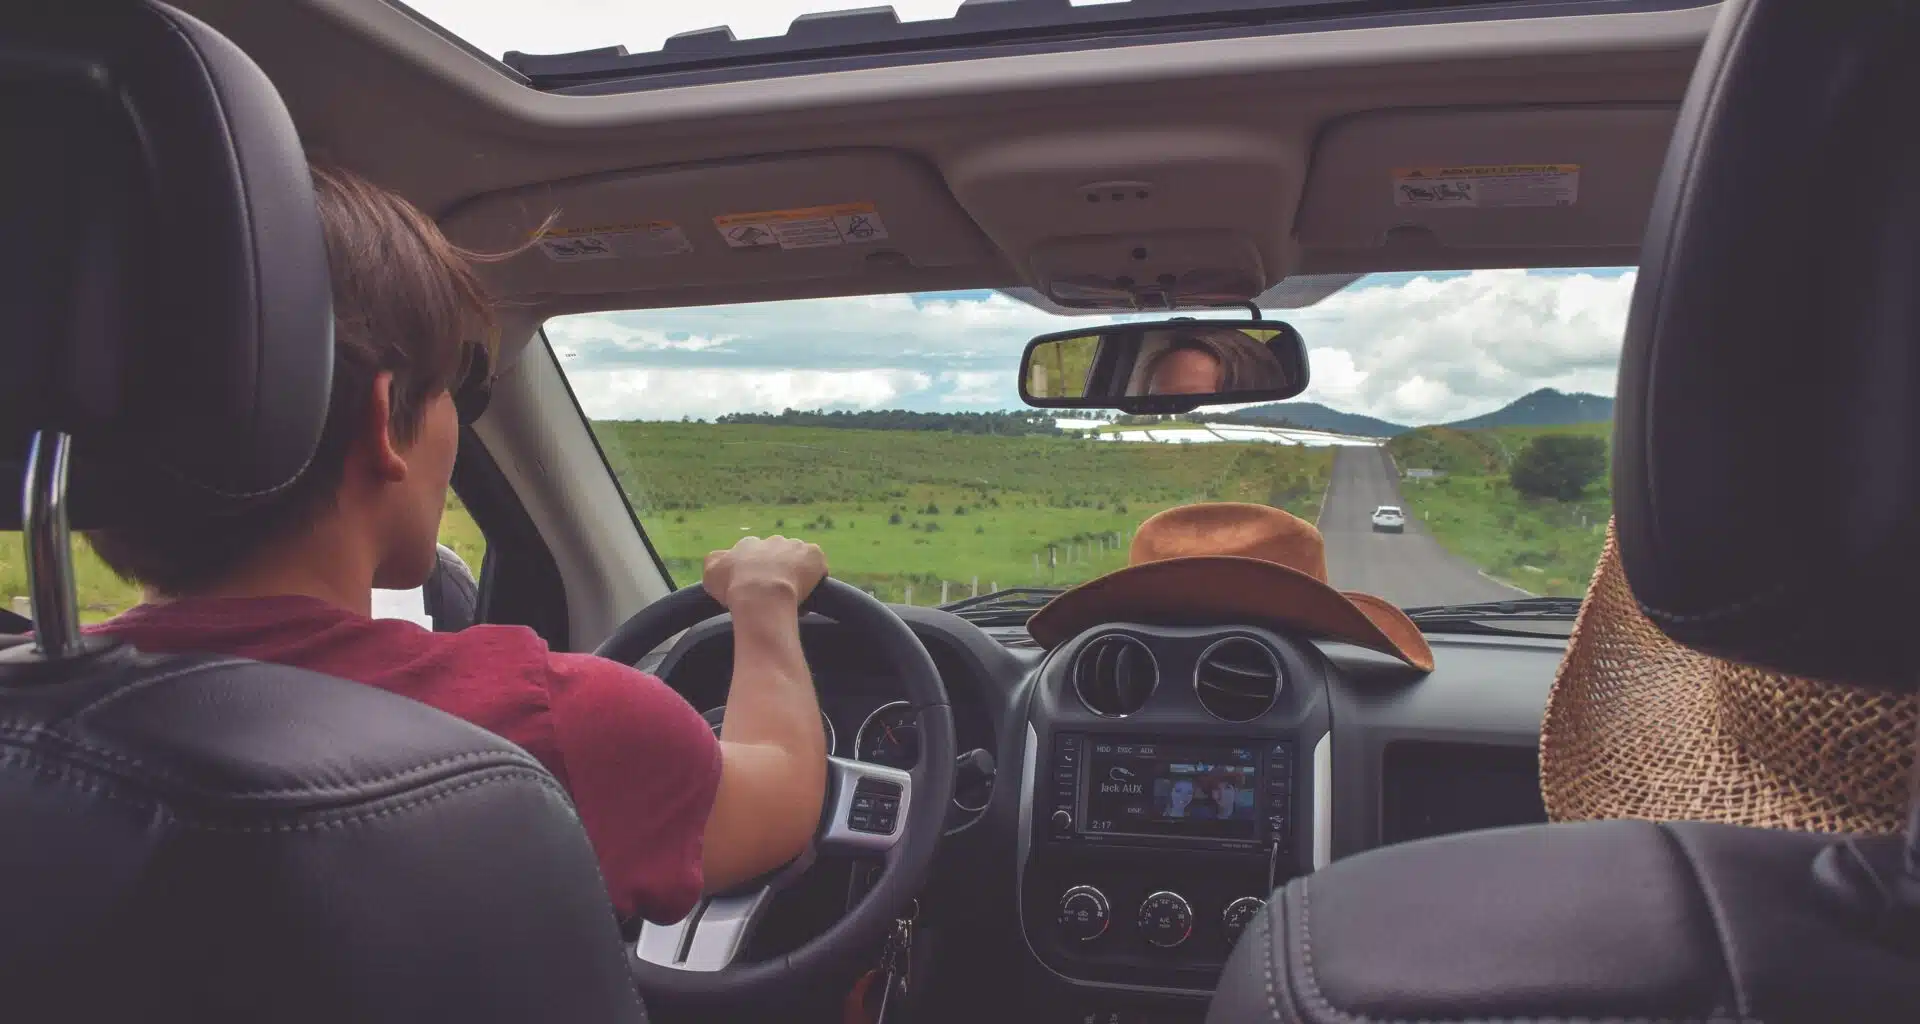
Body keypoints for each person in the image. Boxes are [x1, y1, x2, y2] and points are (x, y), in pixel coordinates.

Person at [83, 164, 829, 928]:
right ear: (384, 419)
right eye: (455, 389)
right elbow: (781, 800)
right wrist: (764, 601)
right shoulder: (544, 725)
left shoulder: (33, 724)